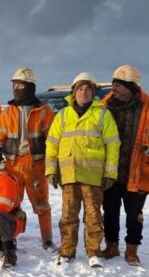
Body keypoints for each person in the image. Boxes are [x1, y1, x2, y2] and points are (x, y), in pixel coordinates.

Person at [100, 64, 149, 265]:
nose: (114, 89)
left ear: (132, 87)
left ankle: (132, 250)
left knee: (135, 215)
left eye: (119, 85)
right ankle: (111, 245)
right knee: (110, 210)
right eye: (113, 84)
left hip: (138, 170)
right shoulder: (104, 105)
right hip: (110, 170)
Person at [45, 73, 120, 267]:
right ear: (74, 91)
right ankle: (67, 251)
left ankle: (94, 251)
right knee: (68, 216)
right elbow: (52, 145)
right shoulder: (62, 115)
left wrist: (110, 174)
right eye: (80, 88)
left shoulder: (102, 114)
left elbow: (113, 145)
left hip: (93, 176)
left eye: (88, 89)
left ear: (93, 93)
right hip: (69, 175)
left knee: (93, 217)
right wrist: (51, 170)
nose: (84, 92)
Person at [0, 67, 55, 250]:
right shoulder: (7, 112)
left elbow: (52, 140)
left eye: (20, 84)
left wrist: (52, 165)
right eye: (14, 84)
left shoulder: (44, 111)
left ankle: (47, 240)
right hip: (12, 163)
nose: (16, 87)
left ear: (30, 86)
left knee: (42, 204)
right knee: (10, 203)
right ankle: (9, 238)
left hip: (35, 164)